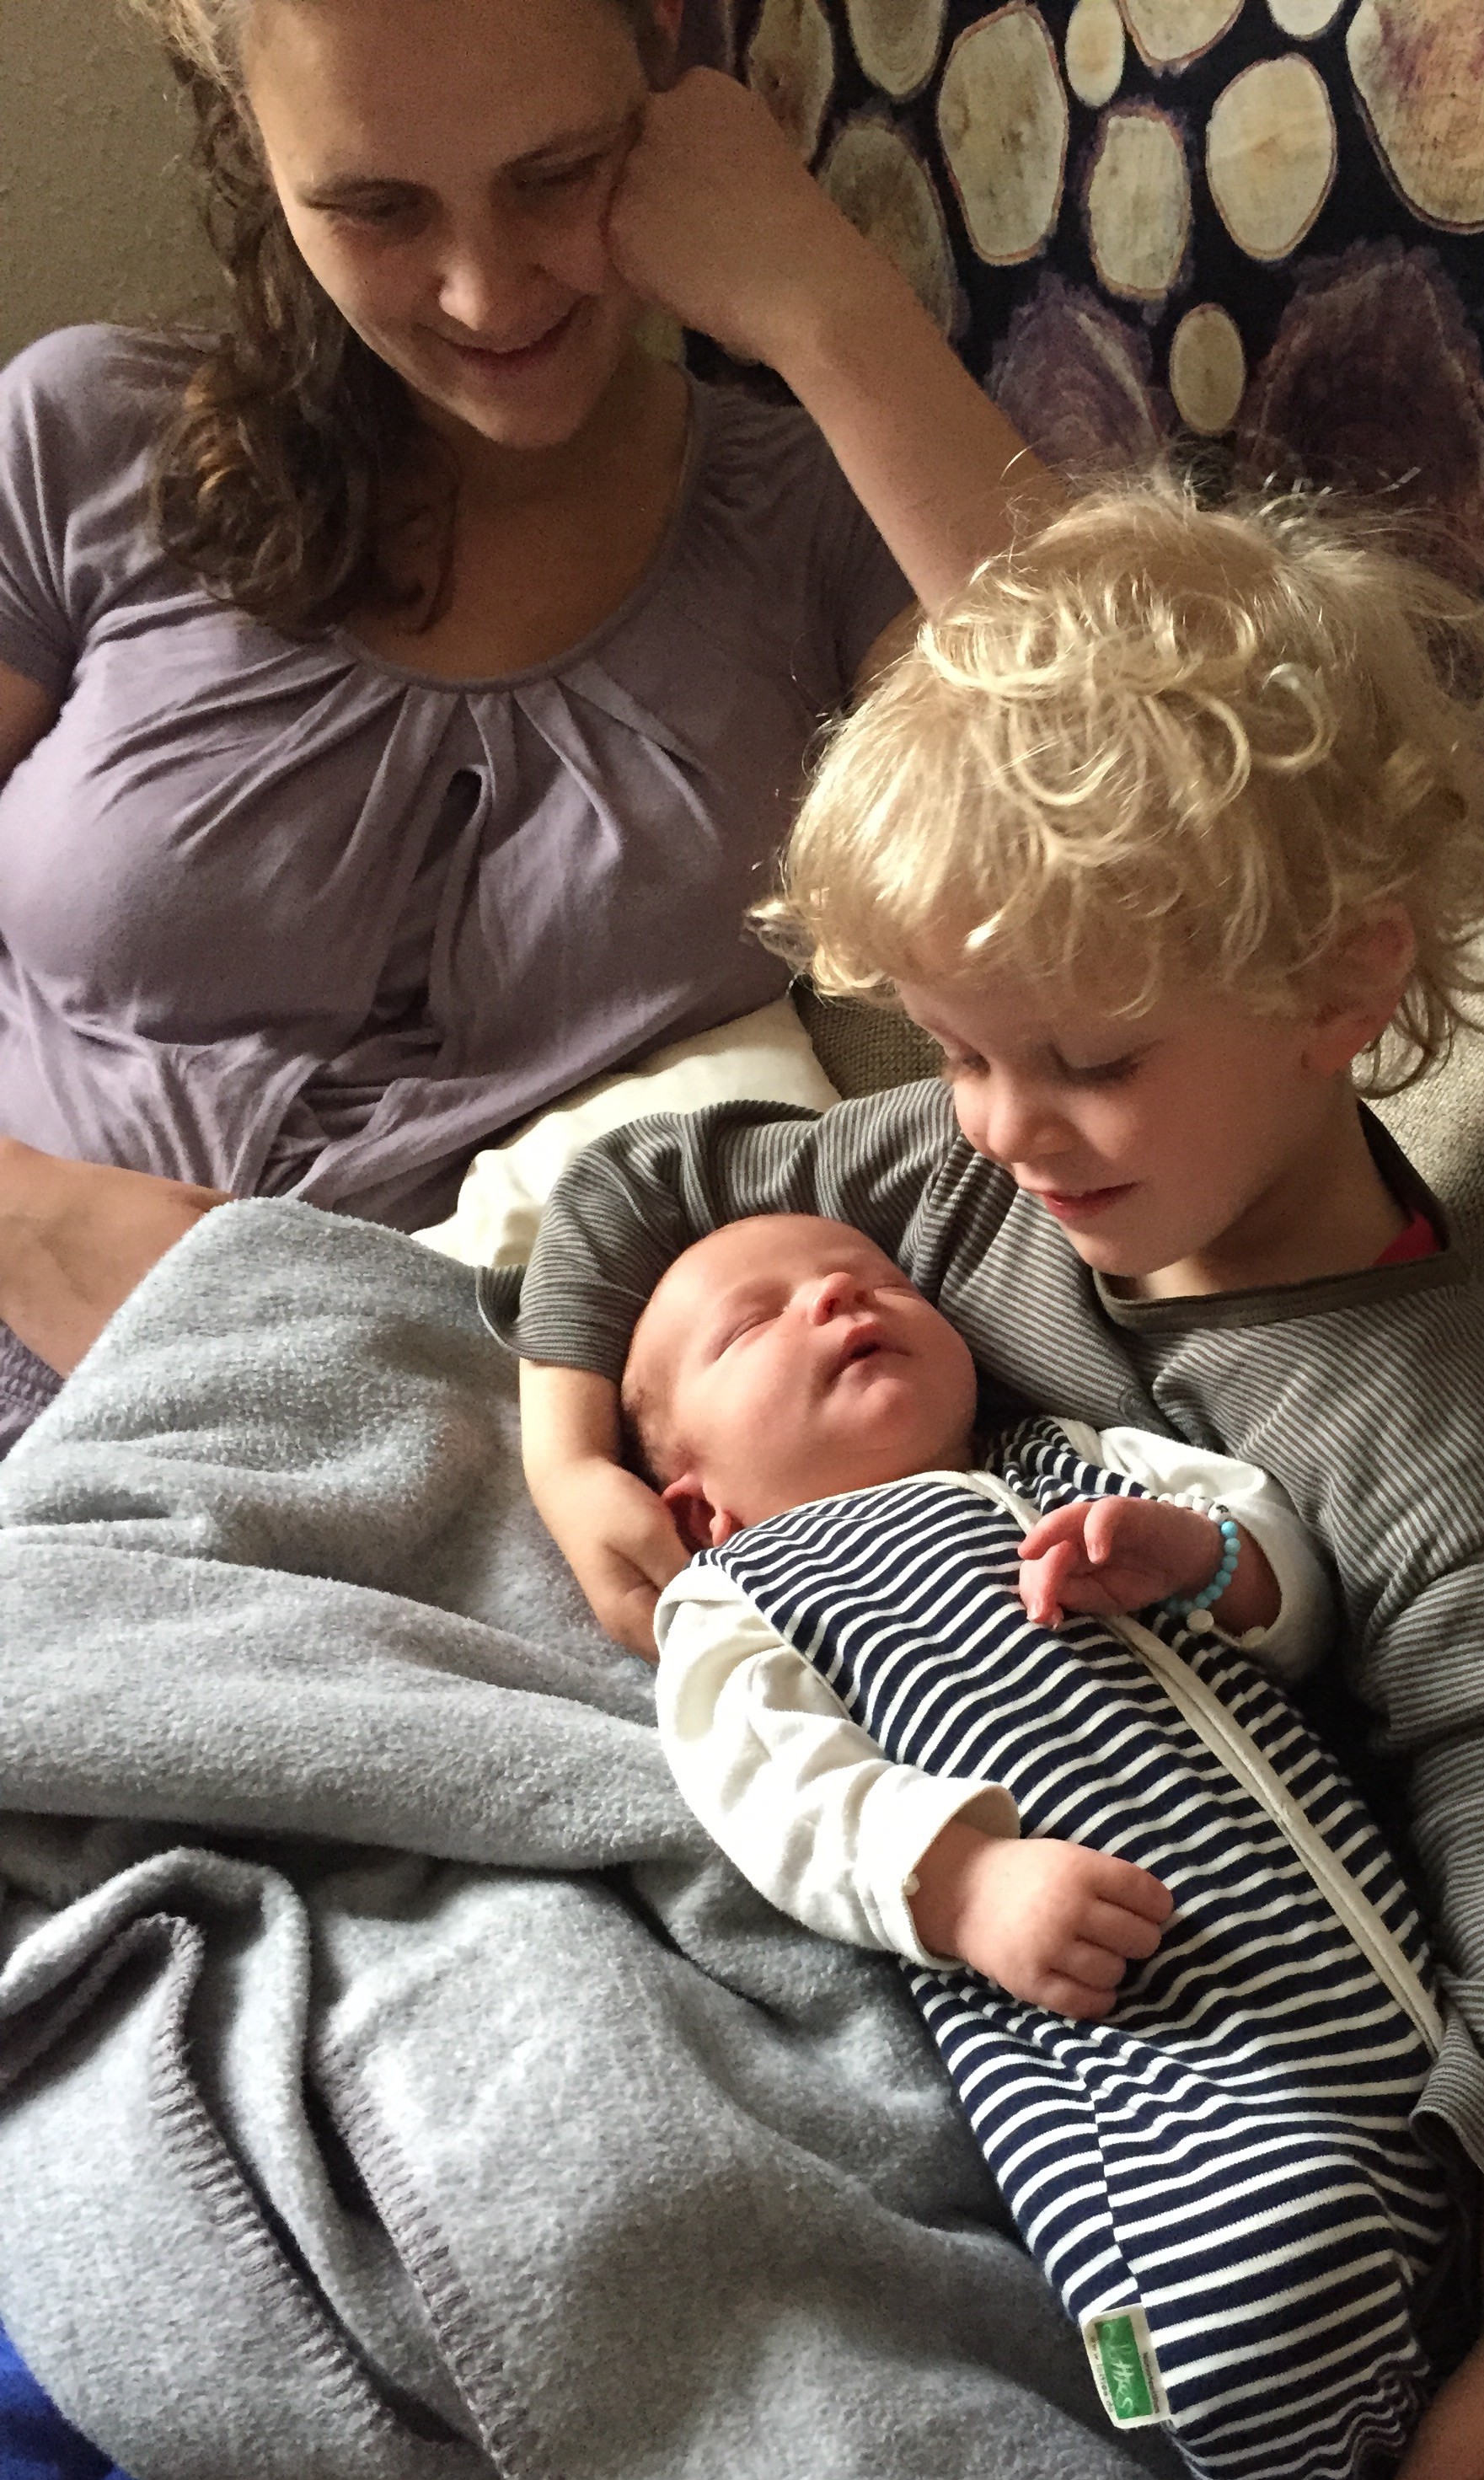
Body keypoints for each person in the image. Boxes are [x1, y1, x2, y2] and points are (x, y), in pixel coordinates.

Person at [509, 475, 1484, 2480]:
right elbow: (651, 1184)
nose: (998, 1127)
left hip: (1193, 2045)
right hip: (870, 1854)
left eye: (1079, 1060)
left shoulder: (1420, 1411)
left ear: (1343, 988)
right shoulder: (957, 1170)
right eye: (954, 1048)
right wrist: (570, 1444)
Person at [622, 1205, 1484, 2480]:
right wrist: (961, 1882)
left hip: (1393, 1987)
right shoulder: (744, 1593)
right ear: (700, 1505)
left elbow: (1297, 1587)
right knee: (1253, 2299)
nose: (836, 1302)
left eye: (869, 1280)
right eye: (759, 1323)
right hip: (1162, 2069)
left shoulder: (1077, 1459)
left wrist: (1207, 1561)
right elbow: (774, 1791)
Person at [0, 0, 1051, 1454]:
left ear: (663, 60)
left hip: (456, 1458)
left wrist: (825, 300)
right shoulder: (84, 431)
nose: (487, 295)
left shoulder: (822, 526)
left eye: (558, 176)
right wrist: (21, 1216)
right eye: (376, 208)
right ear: (255, 139)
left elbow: (1171, 830)